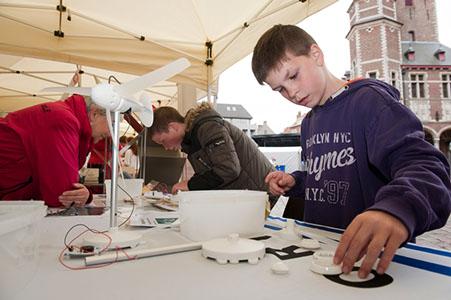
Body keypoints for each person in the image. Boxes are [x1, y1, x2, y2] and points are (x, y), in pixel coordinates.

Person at [251, 24, 451, 278]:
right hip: (322, 252)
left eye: (293, 76)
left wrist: (397, 208)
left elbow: (425, 165)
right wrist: (296, 181)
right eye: (280, 89)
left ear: (316, 55)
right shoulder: (308, 123)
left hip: (373, 260)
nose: (291, 92)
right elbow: (328, 175)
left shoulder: (370, 102)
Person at [149, 102, 277, 204]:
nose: (165, 147)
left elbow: (228, 169)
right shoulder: (192, 141)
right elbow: (208, 175)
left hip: (265, 194)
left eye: (163, 141)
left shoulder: (208, 127)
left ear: (173, 127)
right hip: (249, 198)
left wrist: (189, 184)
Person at [0, 94, 110, 208]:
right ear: (94, 114)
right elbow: (61, 194)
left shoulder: (62, 115)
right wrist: (84, 195)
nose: (110, 133)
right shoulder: (63, 120)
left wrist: (84, 194)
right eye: (111, 124)